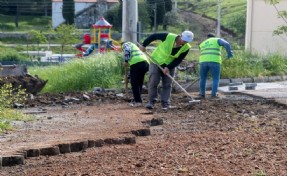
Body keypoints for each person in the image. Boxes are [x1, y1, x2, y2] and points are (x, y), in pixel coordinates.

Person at [139, 30, 194, 110]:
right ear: (180, 36)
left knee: (167, 84)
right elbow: (154, 36)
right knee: (153, 81)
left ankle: (165, 104)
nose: (184, 42)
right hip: (156, 61)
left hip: (170, 65)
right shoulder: (168, 36)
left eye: (186, 41)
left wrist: (168, 67)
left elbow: (179, 59)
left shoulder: (186, 47)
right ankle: (151, 101)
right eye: (184, 40)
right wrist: (144, 45)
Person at [199, 33, 233, 99]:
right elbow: (227, 44)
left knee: (203, 78)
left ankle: (202, 94)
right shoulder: (217, 40)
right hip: (214, 61)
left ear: (207, 37)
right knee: (215, 78)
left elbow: (201, 50)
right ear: (214, 37)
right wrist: (229, 53)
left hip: (203, 62)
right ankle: (214, 94)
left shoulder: (202, 43)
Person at [122, 42, 149, 107]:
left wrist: (126, 61)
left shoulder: (126, 44)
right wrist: (129, 76)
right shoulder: (134, 46)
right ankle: (137, 99)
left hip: (137, 63)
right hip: (145, 64)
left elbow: (127, 50)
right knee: (139, 82)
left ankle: (138, 101)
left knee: (134, 83)